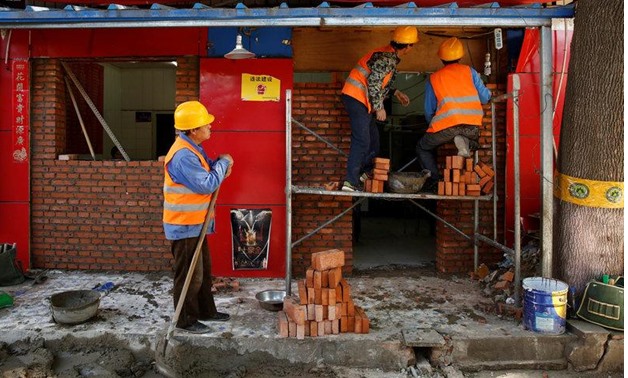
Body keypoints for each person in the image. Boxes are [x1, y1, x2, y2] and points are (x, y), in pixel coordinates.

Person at [163, 100, 234, 334]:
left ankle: (206, 311)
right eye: (206, 124)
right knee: (189, 275)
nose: (210, 127)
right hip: (184, 226)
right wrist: (223, 165)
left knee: (203, 271)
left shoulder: (192, 148)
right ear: (193, 129)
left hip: (195, 224)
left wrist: (219, 165)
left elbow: (205, 170)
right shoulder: (183, 155)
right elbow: (206, 184)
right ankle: (185, 320)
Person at [340, 26, 419, 192]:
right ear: (407, 46)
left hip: (361, 99)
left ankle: (364, 173)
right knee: (362, 140)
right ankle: (350, 182)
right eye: (412, 45)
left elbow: (378, 80)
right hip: (356, 97)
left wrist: (395, 92)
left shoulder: (388, 56)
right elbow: (374, 82)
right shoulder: (387, 58)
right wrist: (379, 107)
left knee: (373, 140)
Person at [417, 37, 491, 192]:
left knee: (423, 148)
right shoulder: (469, 72)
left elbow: (428, 111)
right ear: (460, 56)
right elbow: (485, 97)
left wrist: (434, 126)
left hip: (446, 127)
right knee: (470, 140)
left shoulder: (435, 78)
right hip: (472, 127)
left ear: (441, 58)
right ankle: (467, 142)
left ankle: (435, 182)